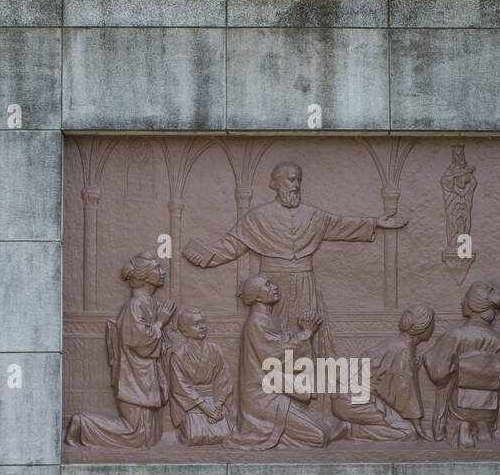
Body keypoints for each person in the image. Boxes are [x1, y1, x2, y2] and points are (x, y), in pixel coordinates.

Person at [181, 161, 408, 350]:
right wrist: (203, 254)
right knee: (273, 339)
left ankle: (306, 390)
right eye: (291, 180)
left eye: (298, 180)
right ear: (276, 184)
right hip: (271, 286)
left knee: (308, 334)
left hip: (304, 285)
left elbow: (340, 224)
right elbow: (231, 245)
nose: (296, 185)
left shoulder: (313, 215)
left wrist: (375, 222)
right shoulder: (258, 217)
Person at [224, 272, 348, 450]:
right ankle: (271, 435)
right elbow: (275, 355)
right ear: (256, 295)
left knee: (322, 429)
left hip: (276, 394)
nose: (274, 287)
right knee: (318, 437)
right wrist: (306, 333)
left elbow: (281, 342)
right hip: (263, 399)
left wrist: (302, 332)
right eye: (268, 285)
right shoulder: (256, 322)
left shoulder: (268, 319)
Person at [64, 251, 175, 449]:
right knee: (137, 435)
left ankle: (85, 426)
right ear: (144, 275)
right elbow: (141, 343)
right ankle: (82, 424)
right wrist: (160, 322)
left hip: (146, 379)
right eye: (157, 268)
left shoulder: (148, 303)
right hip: (134, 379)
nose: (162, 271)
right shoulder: (135, 306)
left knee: (148, 437)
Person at [421, 281, 500, 449]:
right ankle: (483, 429)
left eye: (465, 298)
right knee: (486, 430)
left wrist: (431, 358)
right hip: (489, 407)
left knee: (459, 417)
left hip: (460, 406)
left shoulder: (456, 335)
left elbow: (437, 374)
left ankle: (464, 427)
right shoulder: (499, 339)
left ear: (471, 304)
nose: (462, 301)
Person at [331, 304, 435, 441]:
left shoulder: (394, 343)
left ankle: (350, 427)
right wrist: (417, 424)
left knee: (401, 426)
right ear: (421, 327)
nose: (433, 327)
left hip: (346, 398)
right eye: (432, 323)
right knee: (408, 432)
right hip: (355, 403)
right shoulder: (403, 348)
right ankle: (351, 429)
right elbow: (404, 391)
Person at [167, 307, 233, 446]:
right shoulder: (178, 355)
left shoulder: (214, 350)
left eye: (203, 322)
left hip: (214, 401)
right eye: (196, 324)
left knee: (225, 435)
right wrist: (204, 406)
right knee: (195, 437)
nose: (202, 326)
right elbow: (179, 387)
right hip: (192, 404)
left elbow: (224, 378)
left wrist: (218, 404)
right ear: (184, 331)